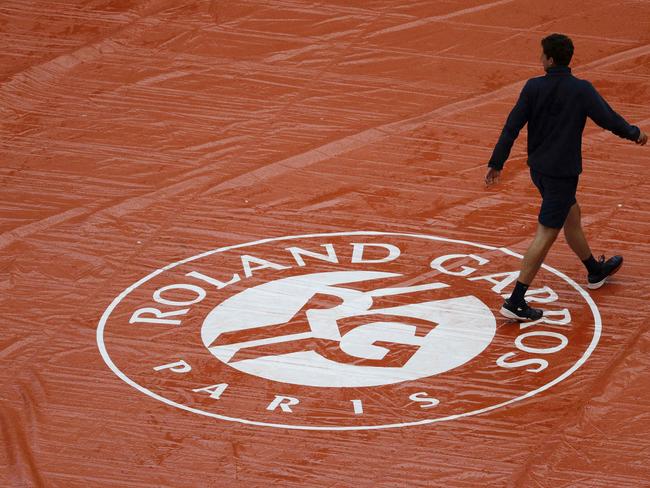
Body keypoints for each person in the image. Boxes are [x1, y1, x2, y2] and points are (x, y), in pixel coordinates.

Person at [485, 33, 648, 321]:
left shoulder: (533, 87)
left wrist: (497, 162)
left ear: (548, 59)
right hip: (563, 173)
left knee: (571, 215)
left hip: (540, 171)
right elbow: (608, 119)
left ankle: (594, 271)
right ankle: (516, 300)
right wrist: (634, 133)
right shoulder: (581, 90)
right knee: (546, 234)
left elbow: (511, 126)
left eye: (541, 55)